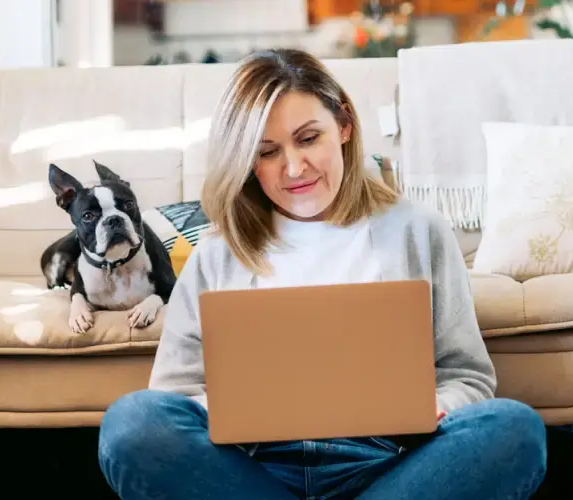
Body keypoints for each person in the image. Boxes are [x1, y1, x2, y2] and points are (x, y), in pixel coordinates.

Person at [97, 48, 547, 500]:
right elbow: (173, 396)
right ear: (247, 163)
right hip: (253, 470)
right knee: (131, 425)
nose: (293, 168)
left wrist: (438, 407)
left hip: (389, 464)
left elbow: (467, 376)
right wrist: (229, 409)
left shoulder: (419, 231)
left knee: (514, 430)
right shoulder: (217, 255)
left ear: (345, 125)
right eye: (267, 152)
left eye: (308, 138)